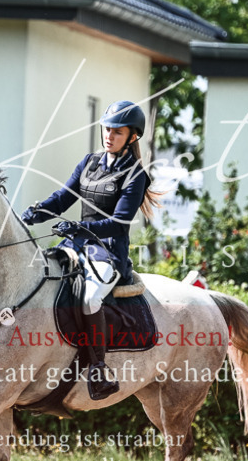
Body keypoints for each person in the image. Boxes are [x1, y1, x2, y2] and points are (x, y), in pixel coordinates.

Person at [20, 100, 159, 400]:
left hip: (107, 252)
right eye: (107, 129)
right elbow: (62, 198)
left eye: (117, 132)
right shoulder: (89, 163)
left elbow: (119, 222)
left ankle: (97, 368)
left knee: (89, 296)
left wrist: (79, 228)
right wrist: (35, 213)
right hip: (76, 245)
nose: (109, 135)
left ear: (132, 137)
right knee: (43, 278)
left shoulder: (136, 175)